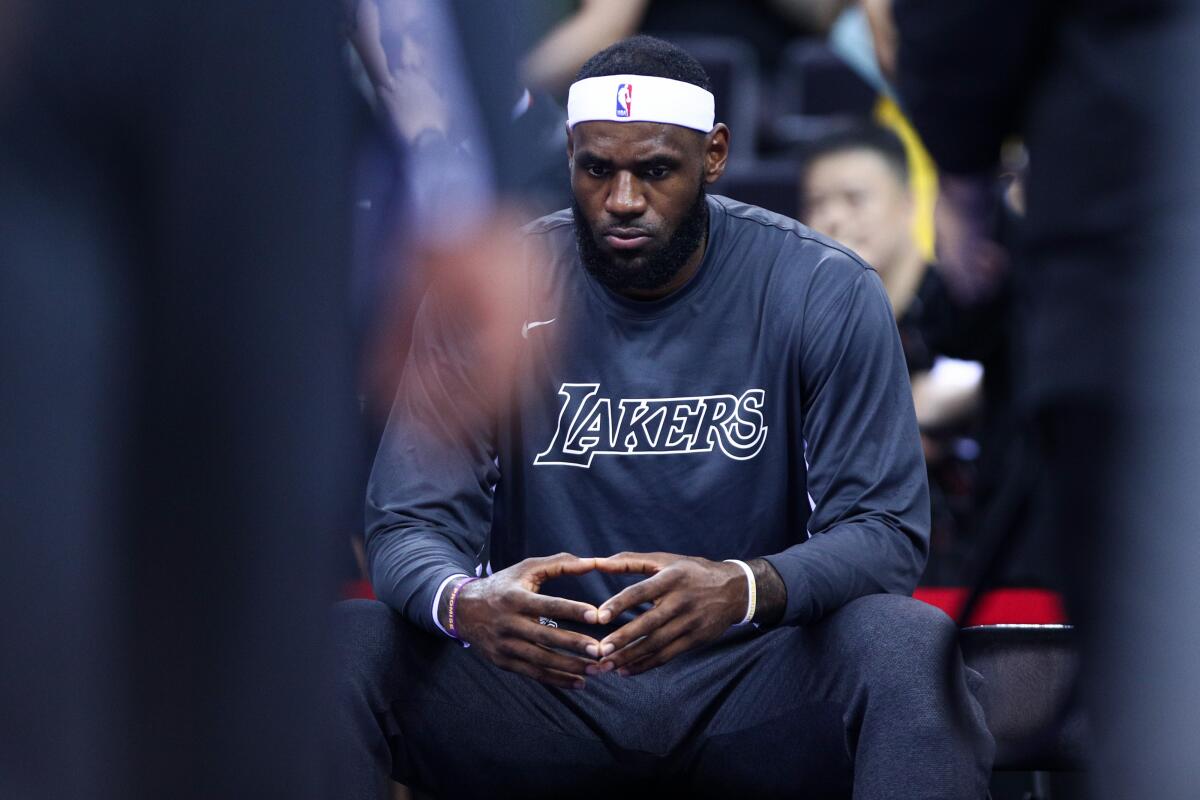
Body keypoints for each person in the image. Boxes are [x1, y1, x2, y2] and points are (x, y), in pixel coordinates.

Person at [335, 35, 993, 799]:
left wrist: (745, 589)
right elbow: (406, 522)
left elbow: (885, 533)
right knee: (350, 645)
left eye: (654, 171)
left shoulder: (821, 286)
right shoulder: (493, 292)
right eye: (596, 170)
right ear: (571, 159)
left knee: (910, 645)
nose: (622, 200)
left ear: (713, 156)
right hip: (546, 684)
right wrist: (462, 601)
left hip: (746, 679)